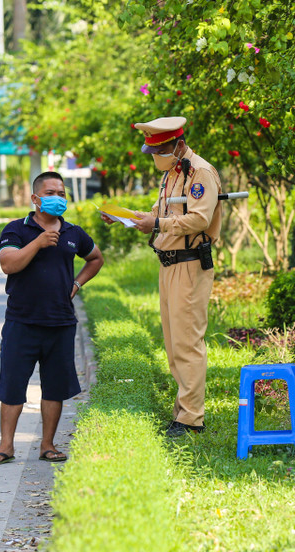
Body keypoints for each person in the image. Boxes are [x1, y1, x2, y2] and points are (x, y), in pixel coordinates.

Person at [102, 116, 222, 437]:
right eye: (153, 151)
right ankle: (182, 411)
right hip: (167, 263)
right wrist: (128, 216)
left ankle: (192, 419)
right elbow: (163, 213)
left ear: (179, 145)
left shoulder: (201, 174)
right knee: (173, 344)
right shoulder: (171, 174)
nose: (157, 157)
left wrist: (156, 225)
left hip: (190, 263)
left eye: (162, 150)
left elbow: (199, 219)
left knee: (187, 343)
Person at [0, 171, 104, 465]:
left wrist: (76, 284)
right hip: (21, 321)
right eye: (51, 193)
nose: (58, 199)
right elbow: (8, 264)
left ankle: (48, 445)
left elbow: (96, 258)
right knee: (12, 386)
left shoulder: (74, 233)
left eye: (62, 194)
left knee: (55, 387)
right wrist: (38, 243)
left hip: (60, 322)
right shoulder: (16, 230)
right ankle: (6, 446)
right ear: (36, 198)